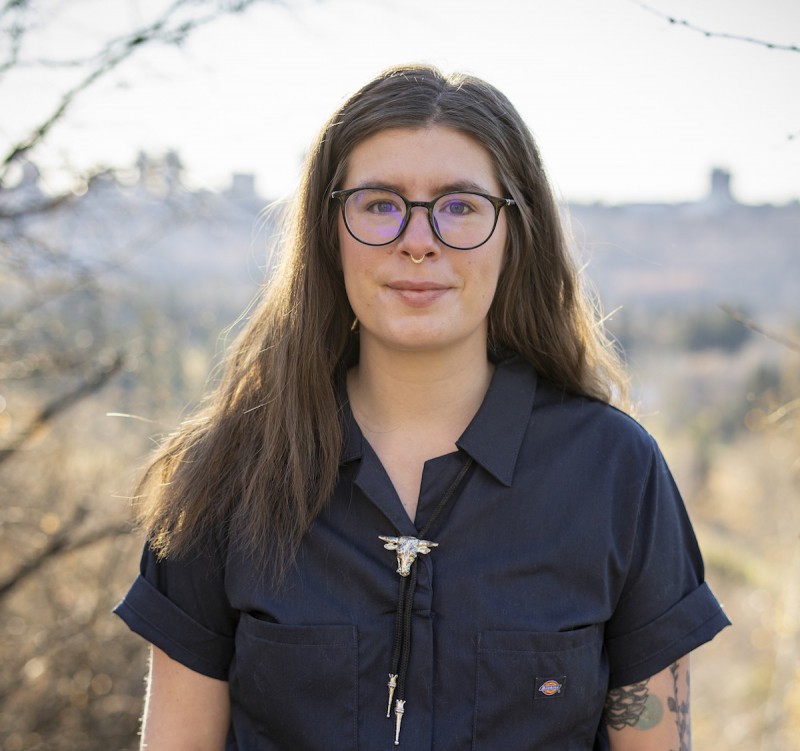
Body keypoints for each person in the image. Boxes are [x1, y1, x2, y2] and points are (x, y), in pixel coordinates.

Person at [115, 64, 730, 750]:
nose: (418, 239)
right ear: (329, 232)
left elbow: (650, 733)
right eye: (379, 203)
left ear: (514, 233)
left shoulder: (616, 473)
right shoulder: (230, 473)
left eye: (461, 205)